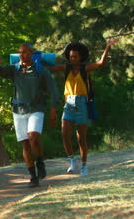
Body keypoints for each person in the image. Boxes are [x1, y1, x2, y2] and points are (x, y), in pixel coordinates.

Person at [42, 39, 119, 176]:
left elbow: (100, 63)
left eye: (75, 56)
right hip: (68, 104)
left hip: (82, 103)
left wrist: (107, 47)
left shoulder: (85, 68)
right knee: (65, 134)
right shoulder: (66, 68)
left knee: (81, 138)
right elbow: (50, 68)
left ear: (80, 57)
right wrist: (37, 59)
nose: (73, 59)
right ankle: (72, 160)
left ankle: (84, 165)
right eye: (71, 56)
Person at [0, 44, 59, 187]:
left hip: (36, 108)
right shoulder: (15, 69)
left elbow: (53, 90)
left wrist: (53, 110)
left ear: (32, 53)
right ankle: (33, 176)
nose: (22, 55)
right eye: (20, 52)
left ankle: (39, 161)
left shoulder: (42, 71)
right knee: (25, 143)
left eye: (25, 52)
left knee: (33, 136)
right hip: (18, 110)